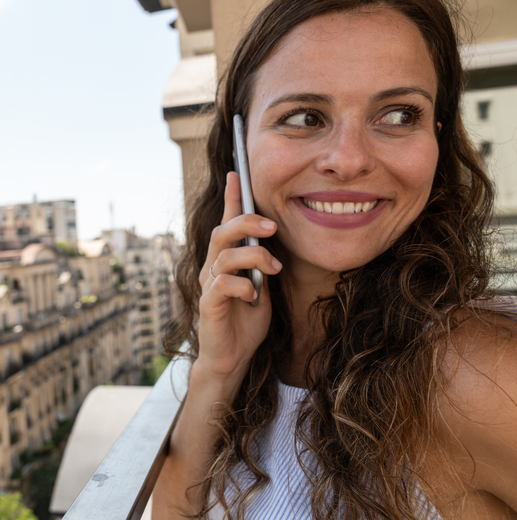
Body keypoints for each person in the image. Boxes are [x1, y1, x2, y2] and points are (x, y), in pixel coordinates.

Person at [153, 0, 517, 518]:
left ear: (437, 139)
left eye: (399, 115)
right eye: (304, 117)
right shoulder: (248, 352)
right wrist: (219, 369)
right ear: (240, 144)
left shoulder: (477, 374)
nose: (348, 160)